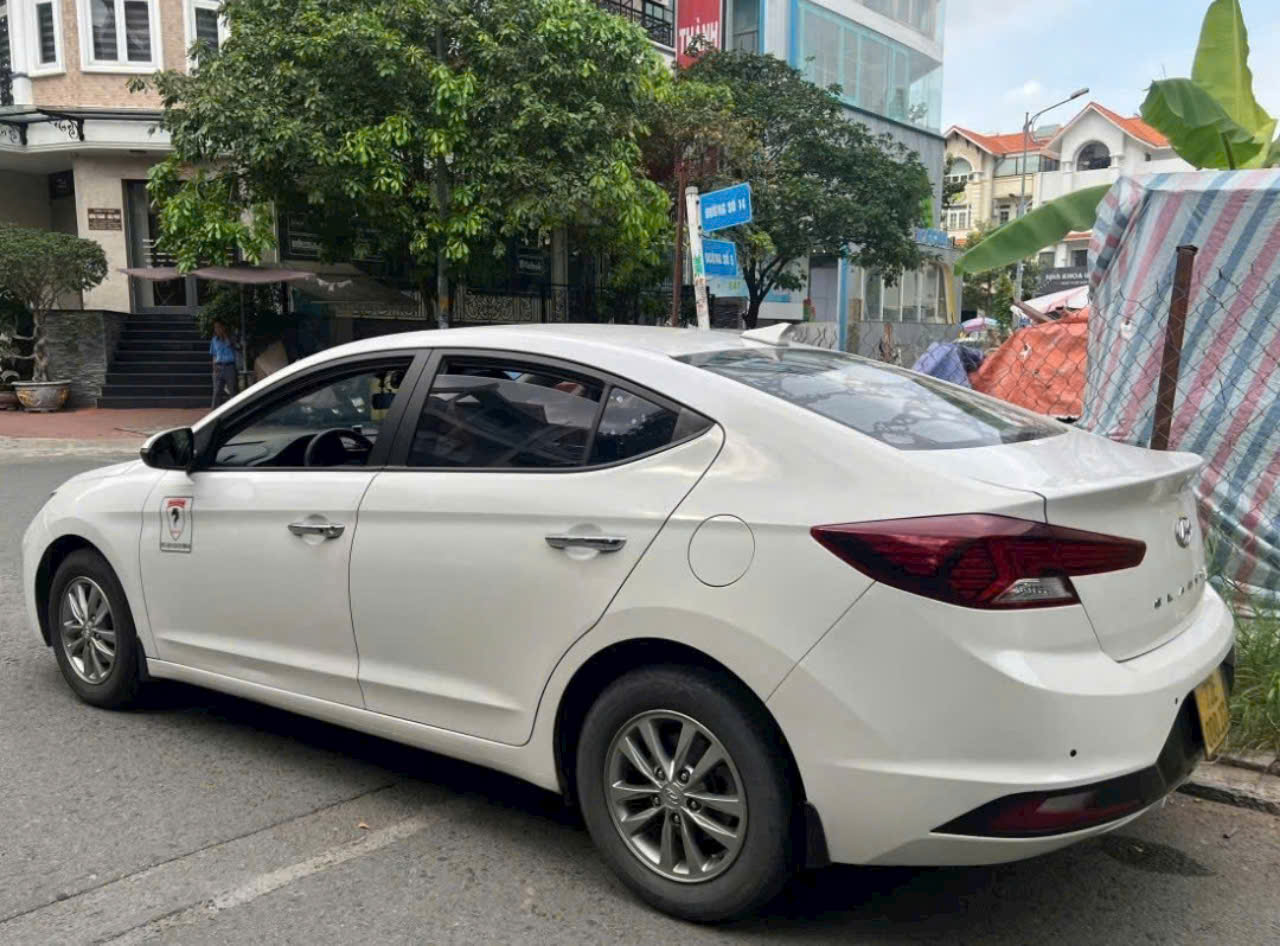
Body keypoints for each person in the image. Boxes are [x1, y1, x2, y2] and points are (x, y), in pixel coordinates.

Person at [209, 319, 238, 408]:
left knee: (232, 390)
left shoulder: (231, 338)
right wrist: (214, 369)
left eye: (218, 327)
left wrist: (225, 336)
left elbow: (231, 346)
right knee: (217, 392)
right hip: (219, 367)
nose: (217, 329)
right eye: (215, 328)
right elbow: (214, 355)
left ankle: (235, 410)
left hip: (229, 366)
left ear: (223, 327)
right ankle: (213, 414)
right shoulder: (214, 340)